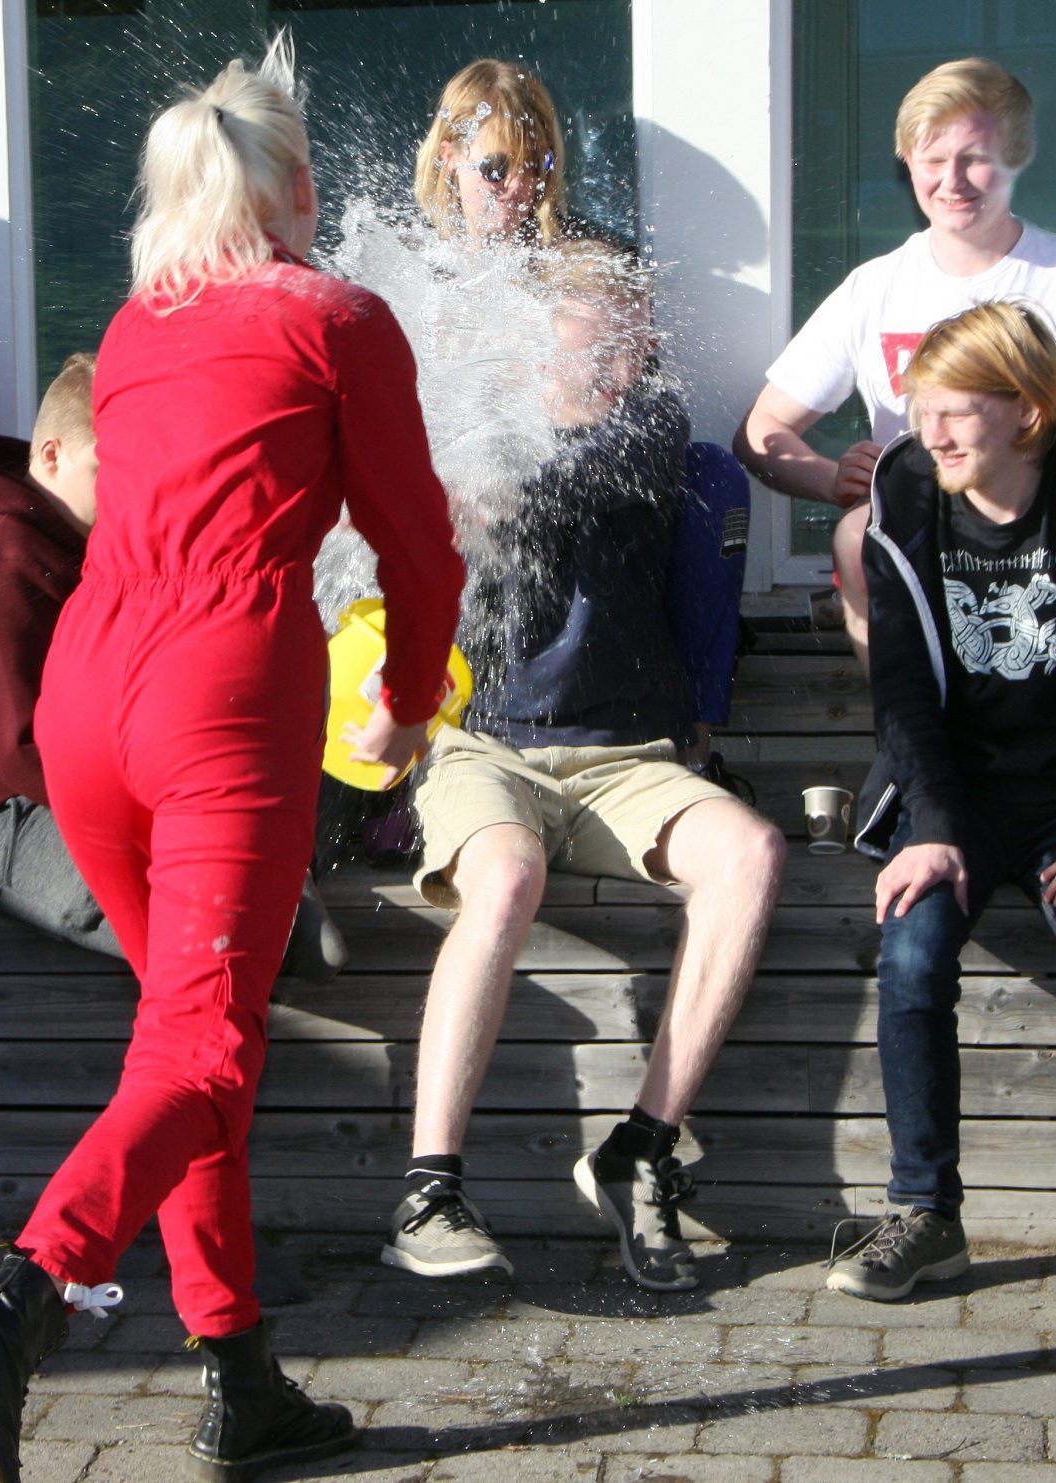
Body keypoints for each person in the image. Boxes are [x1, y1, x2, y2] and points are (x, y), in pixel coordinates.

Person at [0, 35, 465, 1483]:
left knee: (187, 1042)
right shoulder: (339, 317)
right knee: (206, 1045)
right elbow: (418, 548)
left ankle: (238, 1371)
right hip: (222, 686)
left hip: (86, 688)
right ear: (299, 186)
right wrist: (407, 699)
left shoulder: (138, 326)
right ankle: (17, 1302)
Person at [383, 241, 784, 1292]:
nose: (619, 359)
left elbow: (590, 476)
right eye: (592, 337)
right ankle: (429, 1188)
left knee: (751, 855)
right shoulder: (470, 430)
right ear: (533, 339)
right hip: (485, 746)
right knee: (506, 877)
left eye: (632, 341)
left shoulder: (651, 428)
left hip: (626, 760)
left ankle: (641, 1148)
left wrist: (498, 490)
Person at [827, 302, 1056, 1335]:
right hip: (957, 794)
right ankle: (925, 1213)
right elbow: (901, 685)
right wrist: (931, 823)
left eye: (954, 412)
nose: (930, 432)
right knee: (909, 956)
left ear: (1026, 411)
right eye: (920, 409)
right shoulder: (907, 489)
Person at [0, 352, 347, 984]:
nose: (140, 491)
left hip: (111, 770)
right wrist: (176, 818)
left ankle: (273, 878)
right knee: (260, 939)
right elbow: (26, 751)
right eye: (114, 470)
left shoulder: (107, 536)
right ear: (52, 457)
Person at [733, 58, 1056, 668]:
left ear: (1016, 156)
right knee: (857, 536)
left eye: (975, 158)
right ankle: (908, 726)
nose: (952, 180)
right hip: (918, 540)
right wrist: (831, 479)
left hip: (1041, 542)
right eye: (933, 160)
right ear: (907, 162)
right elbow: (761, 431)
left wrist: (1016, 505)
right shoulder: (874, 289)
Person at [414, 58, 574, 247]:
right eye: (498, 167)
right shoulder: (411, 251)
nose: (516, 184)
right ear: (449, 157)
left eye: (534, 165)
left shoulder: (577, 256)